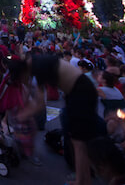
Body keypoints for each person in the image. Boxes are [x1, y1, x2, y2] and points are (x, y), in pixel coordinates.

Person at [29, 55, 101, 185]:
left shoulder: (39, 67)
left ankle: (82, 181)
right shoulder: (46, 62)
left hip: (80, 92)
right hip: (77, 92)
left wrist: (22, 115)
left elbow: (40, 104)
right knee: (79, 142)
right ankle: (84, 179)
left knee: (79, 143)